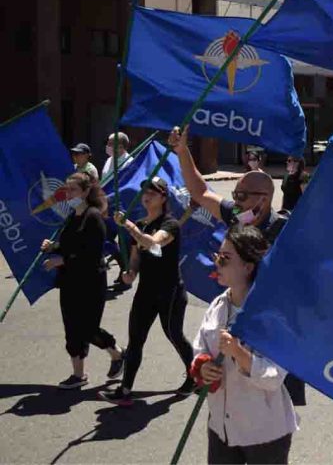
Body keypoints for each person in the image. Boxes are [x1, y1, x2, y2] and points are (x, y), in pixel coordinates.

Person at [168, 126, 306, 407]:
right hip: (234, 316)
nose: (236, 200)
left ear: (263, 199)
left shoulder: (284, 230)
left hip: (268, 325)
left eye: (242, 195)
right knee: (235, 394)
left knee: (273, 398)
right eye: (235, 193)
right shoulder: (236, 217)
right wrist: (183, 152)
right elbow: (200, 190)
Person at [191, 225, 298, 464]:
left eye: (225, 259)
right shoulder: (219, 304)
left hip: (264, 432)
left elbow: (273, 378)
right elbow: (200, 347)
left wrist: (239, 354)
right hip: (221, 427)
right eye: (217, 256)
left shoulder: (271, 315)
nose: (217, 262)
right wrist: (203, 366)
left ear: (248, 267)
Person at [98, 177, 195, 406]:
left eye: (152, 192)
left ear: (163, 198)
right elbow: (135, 257)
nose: (146, 195)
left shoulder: (169, 224)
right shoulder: (140, 224)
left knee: (174, 335)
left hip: (170, 291)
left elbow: (153, 243)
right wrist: (130, 273)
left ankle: (195, 376)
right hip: (146, 291)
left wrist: (127, 225)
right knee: (135, 339)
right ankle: (125, 389)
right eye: (144, 192)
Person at [40, 172, 124, 389]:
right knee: (71, 328)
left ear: (86, 192)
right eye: (67, 190)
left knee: (88, 328)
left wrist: (62, 259)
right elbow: (71, 244)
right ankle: (78, 375)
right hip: (69, 281)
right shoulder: (71, 217)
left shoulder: (94, 216)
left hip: (90, 281)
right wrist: (54, 246)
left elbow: (92, 253)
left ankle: (116, 354)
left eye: (73, 190)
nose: (68, 194)